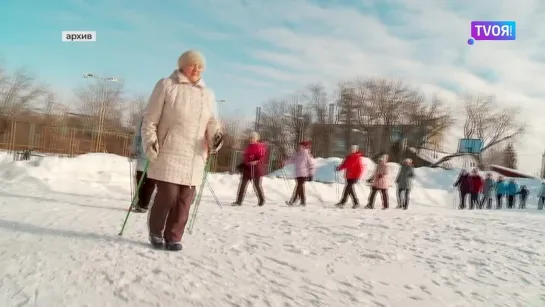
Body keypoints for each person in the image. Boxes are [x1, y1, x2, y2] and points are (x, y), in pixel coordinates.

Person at [141, 50, 223, 251]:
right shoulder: (167, 85)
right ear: (182, 65)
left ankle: (174, 236)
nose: (196, 69)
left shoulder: (207, 93)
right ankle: (156, 232)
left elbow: (212, 121)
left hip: (195, 154)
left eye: (200, 66)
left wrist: (215, 135)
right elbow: (150, 119)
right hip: (170, 150)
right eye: (192, 65)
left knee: (185, 199)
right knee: (168, 195)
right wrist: (150, 141)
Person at [232, 131, 266, 206]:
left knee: (256, 185)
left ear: (256, 138)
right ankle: (239, 201)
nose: (251, 139)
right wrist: (243, 164)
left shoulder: (260, 147)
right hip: (247, 169)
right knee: (242, 185)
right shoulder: (248, 147)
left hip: (256, 169)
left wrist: (256, 161)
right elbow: (246, 157)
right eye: (250, 137)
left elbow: (262, 158)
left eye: (253, 137)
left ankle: (262, 200)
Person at [129, 117, 156, 213]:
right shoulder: (144, 119)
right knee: (140, 180)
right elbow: (137, 136)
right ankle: (140, 203)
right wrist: (133, 150)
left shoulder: (164, 118)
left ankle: (144, 204)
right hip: (143, 154)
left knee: (150, 182)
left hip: (155, 156)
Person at [284, 141, 315, 207]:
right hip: (297, 174)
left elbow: (311, 165)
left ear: (304, 147)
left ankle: (293, 201)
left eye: (300, 146)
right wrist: (284, 163)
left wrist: (311, 174)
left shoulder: (307, 155)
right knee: (300, 187)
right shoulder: (297, 154)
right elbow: (291, 160)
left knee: (299, 186)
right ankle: (303, 202)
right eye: (299, 146)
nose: (299, 147)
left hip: (304, 174)